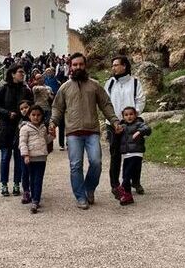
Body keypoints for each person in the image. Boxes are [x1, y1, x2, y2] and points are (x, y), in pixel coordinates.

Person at [50, 52, 122, 209]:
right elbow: (57, 108)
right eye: (74, 65)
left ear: (85, 65)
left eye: (80, 64)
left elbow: (106, 104)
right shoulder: (64, 87)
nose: (78, 67)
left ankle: (89, 188)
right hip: (73, 133)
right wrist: (53, 123)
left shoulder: (94, 85)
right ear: (70, 67)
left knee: (96, 162)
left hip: (92, 132)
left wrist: (114, 121)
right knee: (75, 165)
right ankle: (80, 196)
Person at [104, 55, 146, 198]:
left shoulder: (134, 82)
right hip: (113, 124)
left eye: (116, 65)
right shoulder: (110, 83)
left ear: (124, 66)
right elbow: (105, 103)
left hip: (132, 124)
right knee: (115, 155)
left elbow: (140, 100)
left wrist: (133, 116)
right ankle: (115, 185)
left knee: (134, 154)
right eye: (112, 65)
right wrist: (113, 120)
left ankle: (135, 181)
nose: (113, 68)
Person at [0, 64, 33, 197]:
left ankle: (17, 183)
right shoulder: (4, 88)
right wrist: (7, 113)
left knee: (18, 157)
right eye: (20, 72)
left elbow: (32, 106)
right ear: (12, 74)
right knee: (5, 157)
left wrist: (25, 115)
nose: (23, 74)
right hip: (5, 127)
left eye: (23, 72)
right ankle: (4, 184)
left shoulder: (26, 90)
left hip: (21, 128)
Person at [19, 105, 53, 214]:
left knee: (38, 179)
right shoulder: (25, 128)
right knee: (32, 179)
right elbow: (22, 143)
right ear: (29, 116)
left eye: (38, 115)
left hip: (41, 158)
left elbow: (46, 140)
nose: (36, 117)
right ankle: (33, 197)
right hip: (30, 158)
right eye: (33, 115)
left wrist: (52, 136)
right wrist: (25, 155)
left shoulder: (43, 128)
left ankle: (36, 200)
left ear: (42, 116)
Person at [117, 106, 151, 205]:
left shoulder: (139, 124)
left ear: (135, 115)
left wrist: (139, 132)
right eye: (126, 115)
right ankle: (128, 196)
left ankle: (124, 191)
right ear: (123, 117)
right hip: (127, 155)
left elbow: (147, 129)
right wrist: (117, 133)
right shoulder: (122, 126)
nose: (129, 117)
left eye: (131, 114)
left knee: (127, 175)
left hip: (136, 153)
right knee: (125, 175)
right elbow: (117, 137)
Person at [16, 99, 33, 204]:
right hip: (23, 150)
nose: (24, 110)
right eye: (21, 109)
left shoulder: (36, 117)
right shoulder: (20, 120)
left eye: (26, 107)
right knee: (25, 171)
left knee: (34, 172)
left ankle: (35, 190)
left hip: (35, 150)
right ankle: (26, 191)